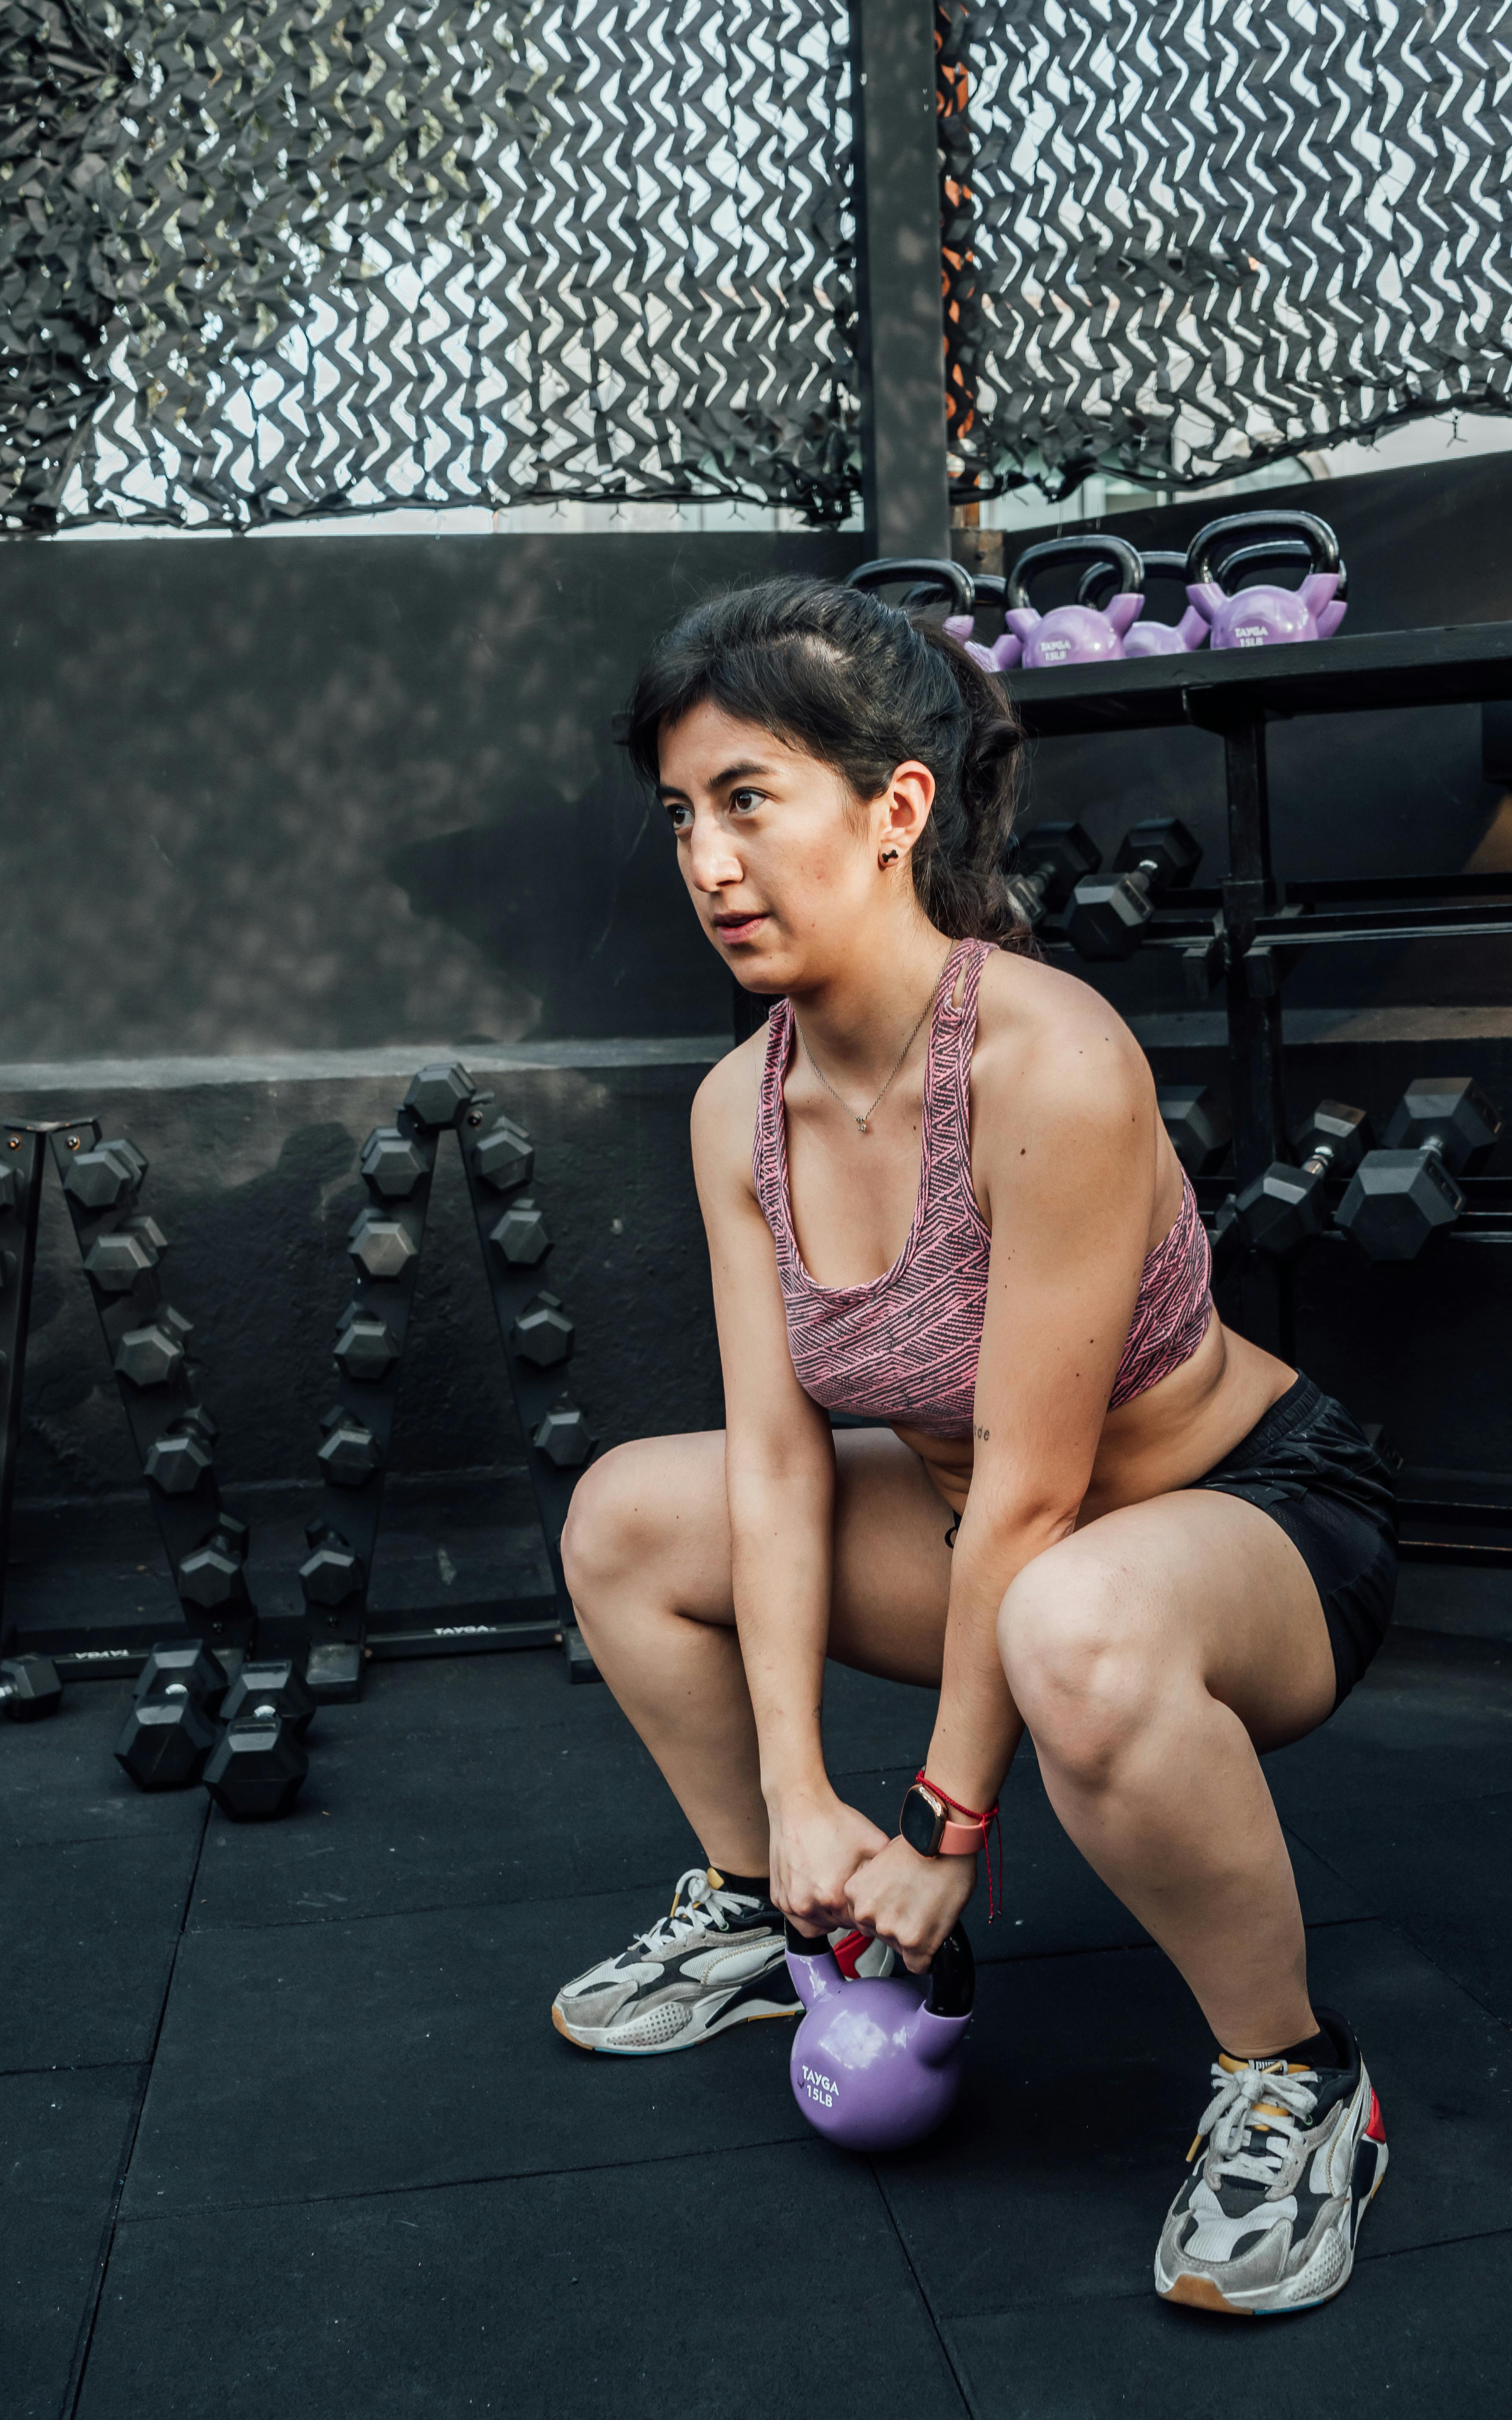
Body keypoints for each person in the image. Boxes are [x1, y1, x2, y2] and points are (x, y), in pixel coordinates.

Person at [550, 577, 1396, 2317]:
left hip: (1249, 1525)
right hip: (992, 1544)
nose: (708, 860)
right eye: (682, 814)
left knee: (1066, 1622)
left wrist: (941, 1836)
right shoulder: (737, 1111)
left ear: (897, 809)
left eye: (749, 799)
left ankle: (1297, 2077)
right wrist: (800, 1793)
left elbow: (1032, 1489)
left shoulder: (1044, 1060)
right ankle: (766, 1909)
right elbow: (777, 1461)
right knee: (629, 1515)